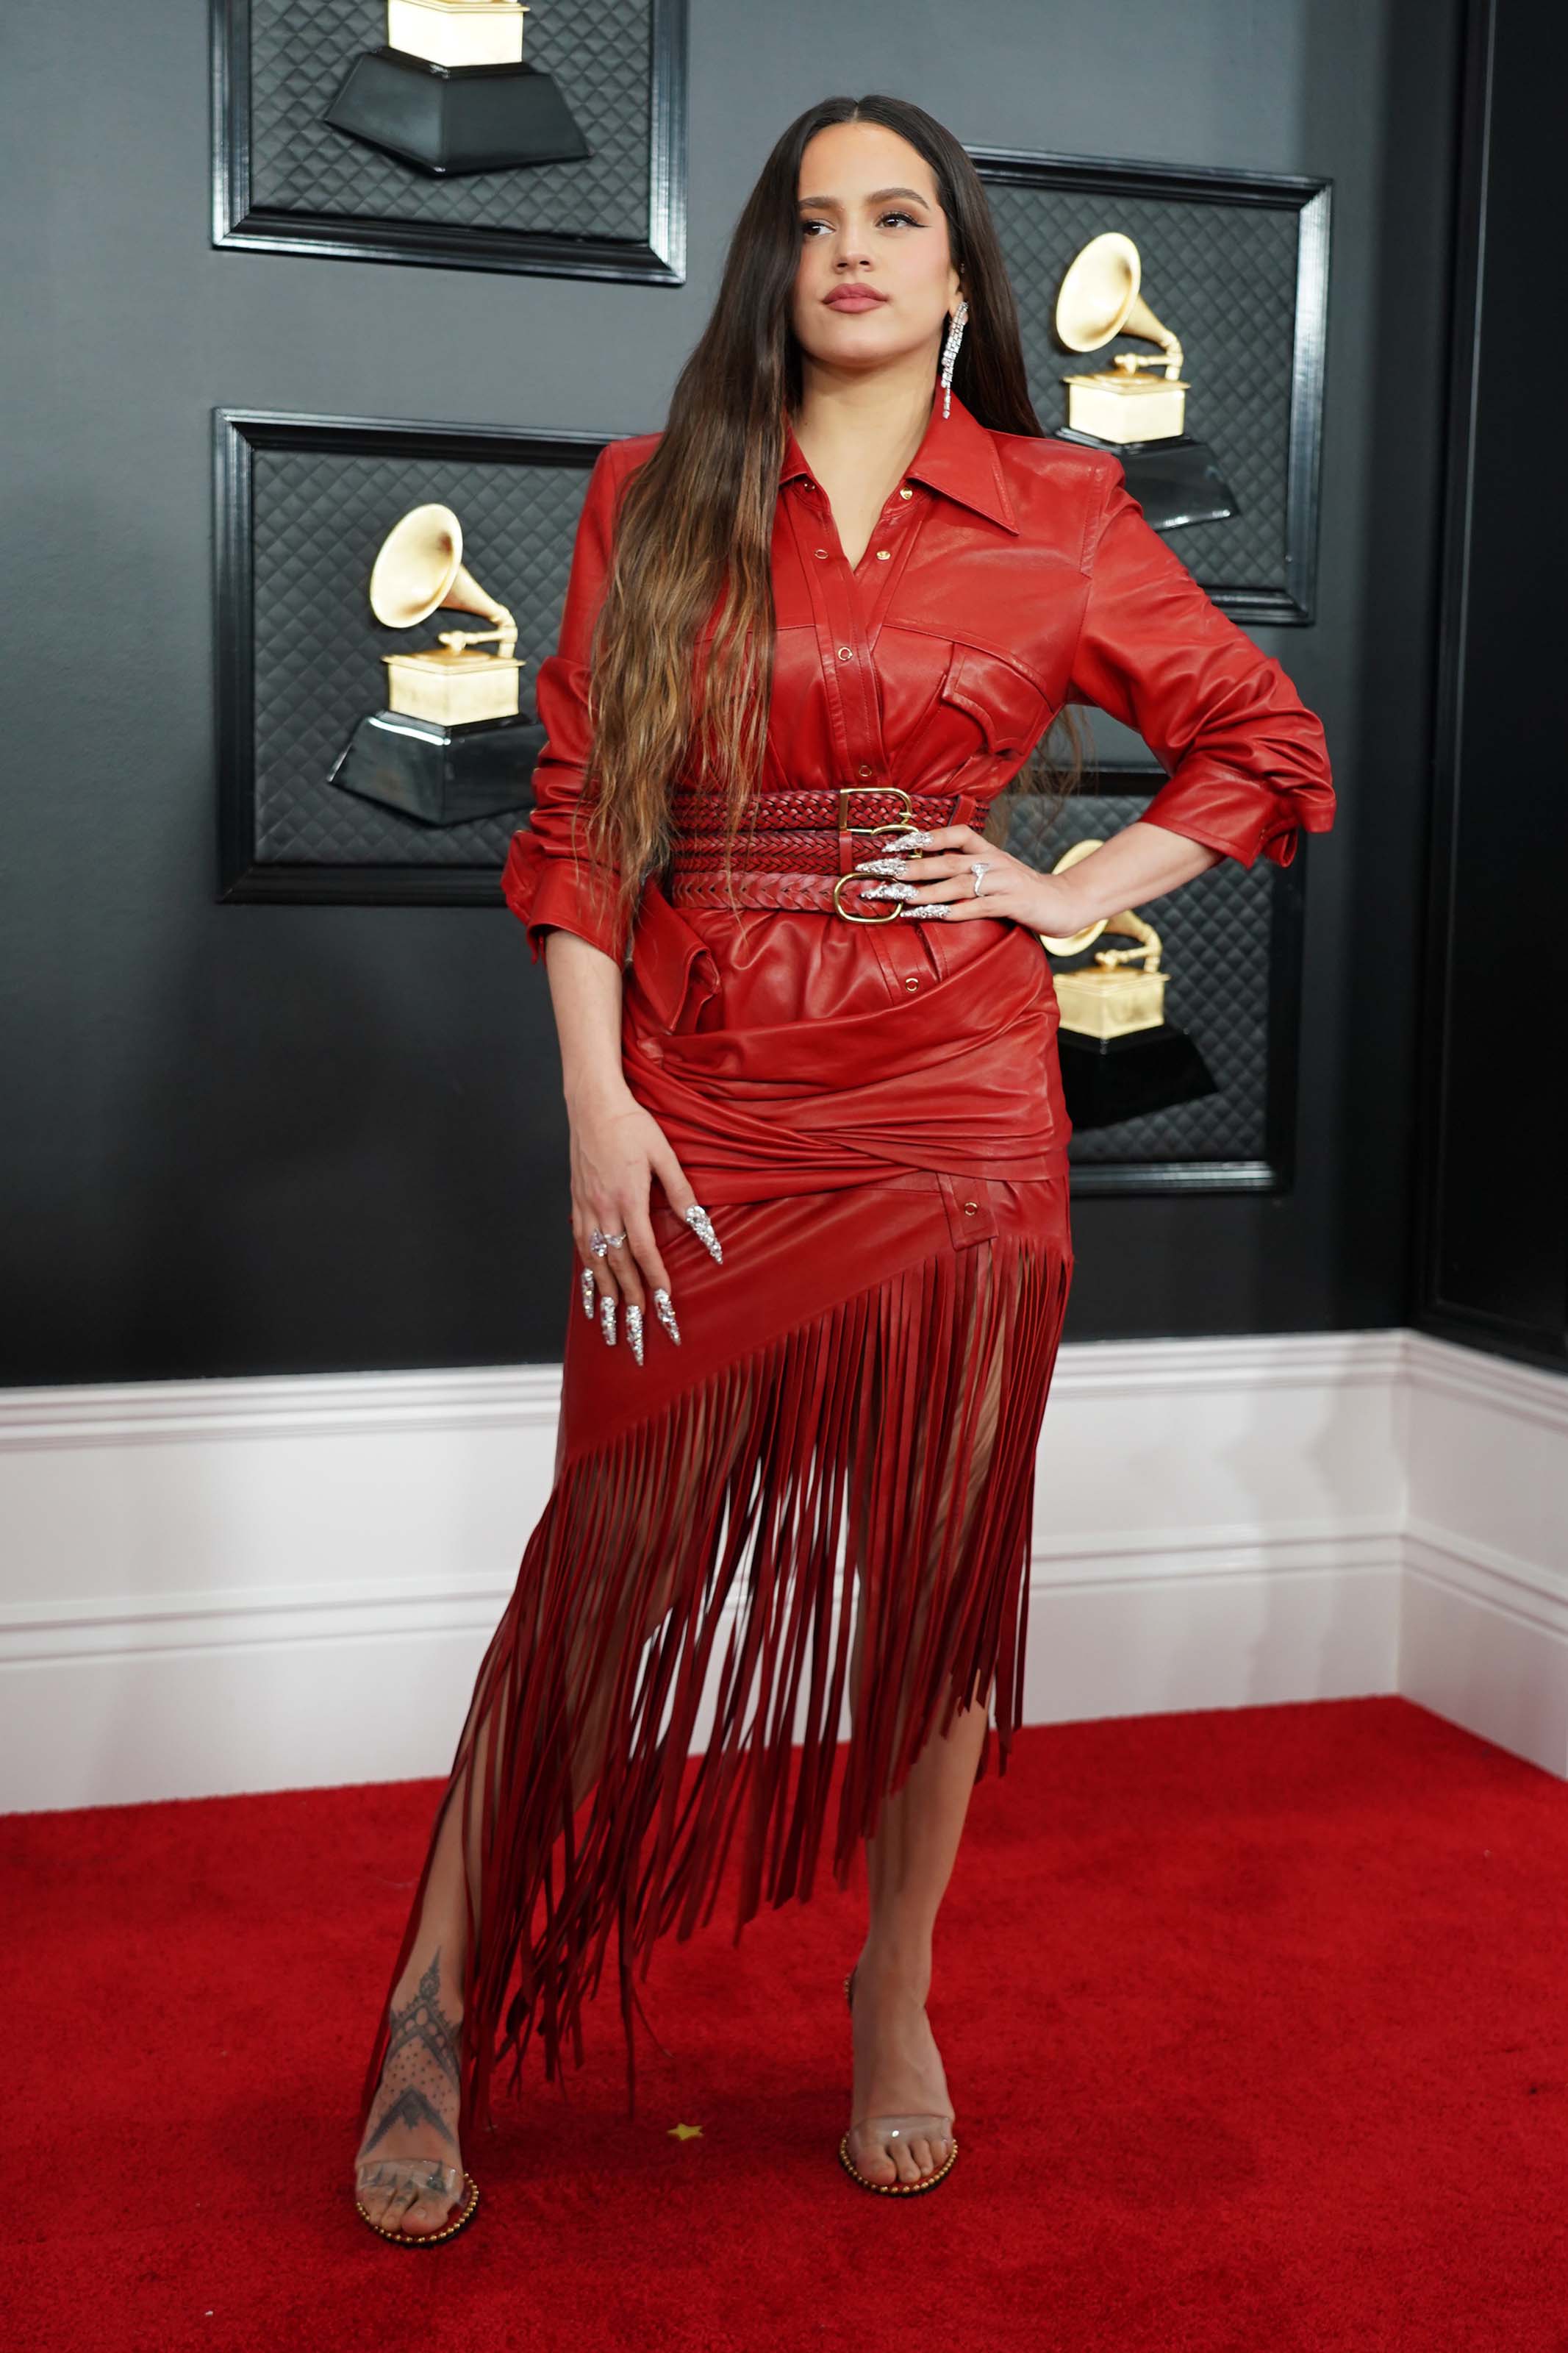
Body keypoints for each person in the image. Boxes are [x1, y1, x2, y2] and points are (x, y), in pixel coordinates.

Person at [351, 92, 1335, 2243]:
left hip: (962, 1114)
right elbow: (587, 817)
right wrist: (597, 1108)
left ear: (965, 270)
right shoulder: (656, 492)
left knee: (935, 1589)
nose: (855, 252)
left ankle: (894, 2000)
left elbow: (1267, 740)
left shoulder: (1066, 507)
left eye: (898, 218)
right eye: (815, 222)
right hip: (702, 1093)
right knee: (596, 1578)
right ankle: (429, 2013)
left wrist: (1075, 888)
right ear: (773, 270)